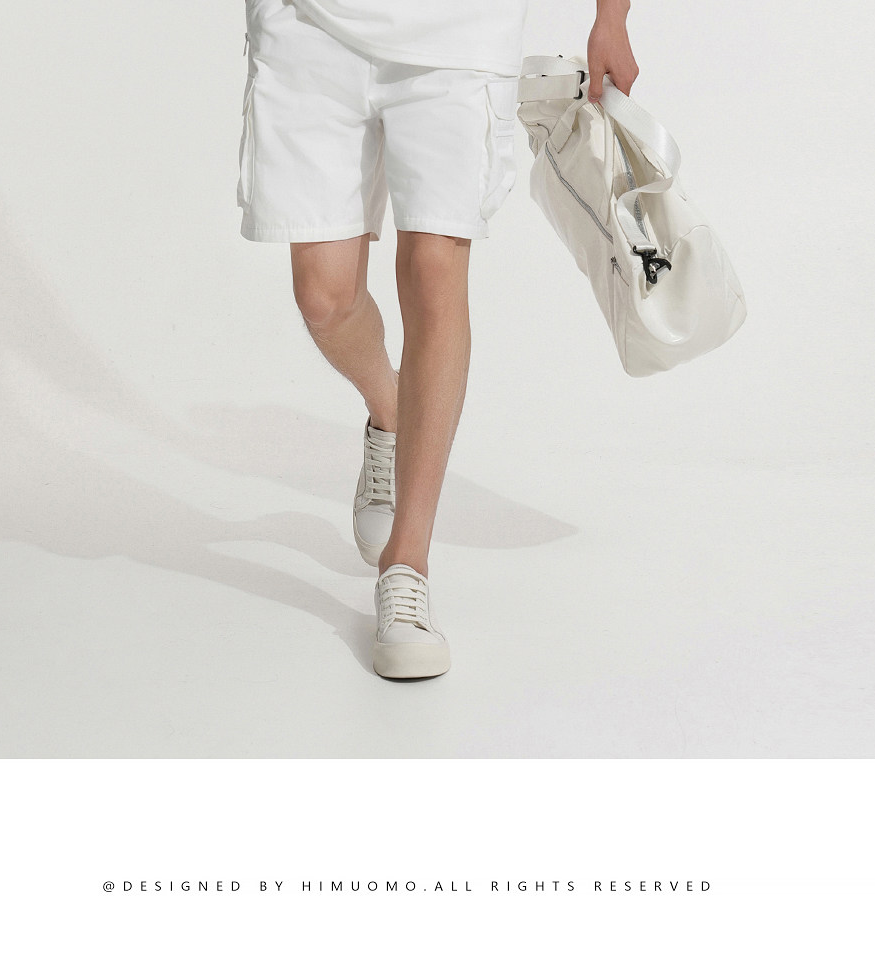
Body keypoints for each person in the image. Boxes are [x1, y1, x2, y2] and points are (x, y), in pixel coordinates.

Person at [237, 0, 638, 679]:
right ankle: (392, 412)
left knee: (434, 270)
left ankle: (408, 563)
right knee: (325, 299)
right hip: (310, 27)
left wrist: (612, 17)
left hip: (461, 31)